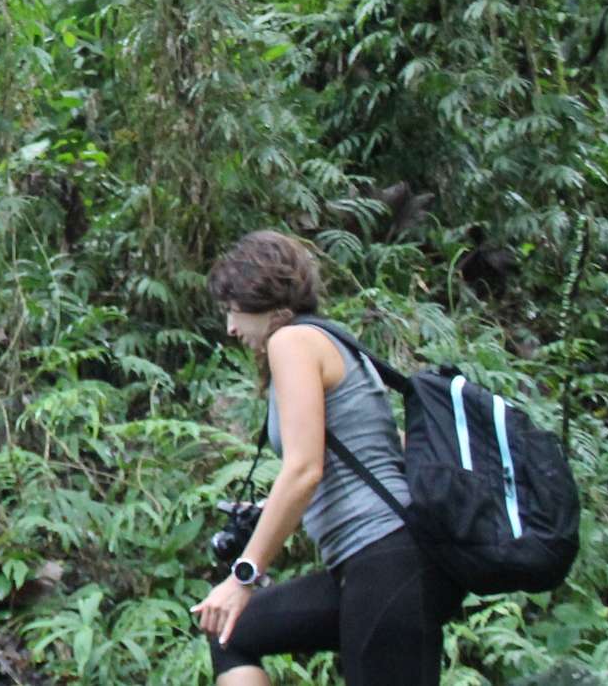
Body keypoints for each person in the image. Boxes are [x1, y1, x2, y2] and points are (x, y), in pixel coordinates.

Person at [191, 230, 462, 685]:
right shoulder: (328, 342)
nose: (231, 328)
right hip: (376, 563)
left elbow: (304, 470)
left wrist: (243, 576)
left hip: (388, 558)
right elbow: (371, 449)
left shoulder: (292, 342)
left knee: (235, 616)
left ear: (261, 296)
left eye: (233, 311)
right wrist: (267, 512)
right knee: (233, 633)